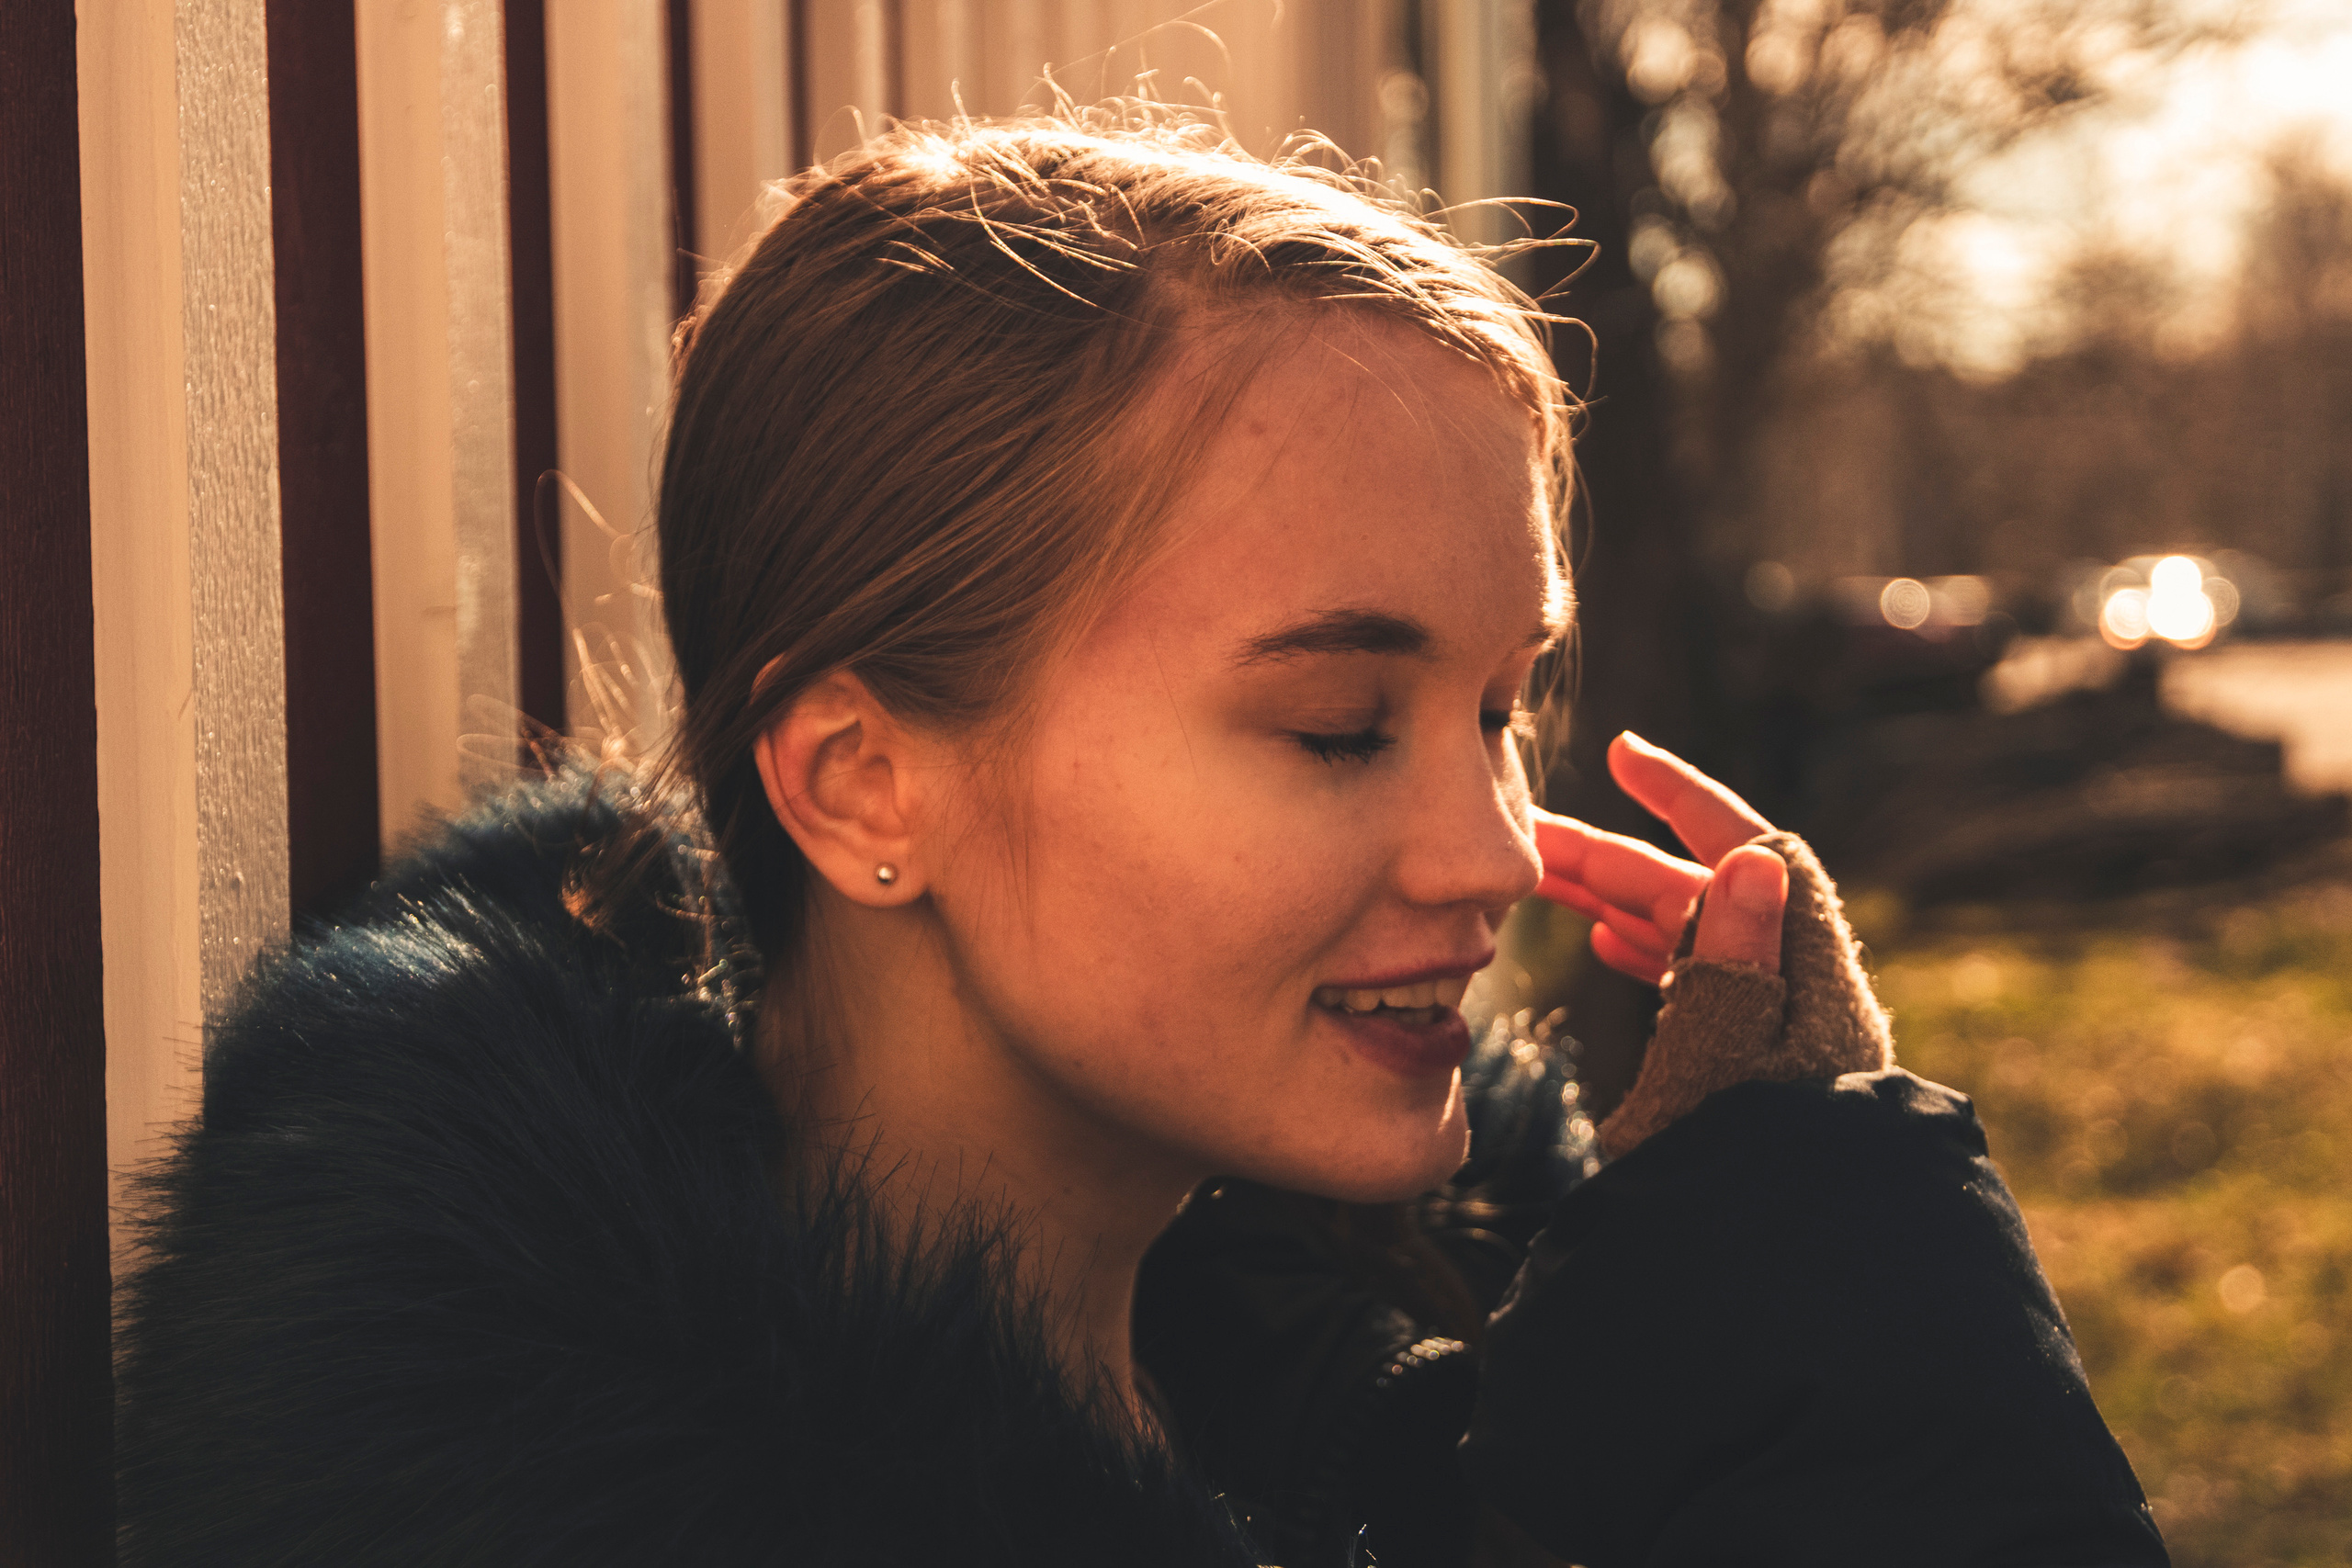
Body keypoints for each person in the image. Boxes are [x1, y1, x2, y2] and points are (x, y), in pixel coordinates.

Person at [113, 110, 2167, 1566]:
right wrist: (1870, 1390)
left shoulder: (1384, 1379)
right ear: (861, 782)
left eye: (1498, 708)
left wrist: (1769, 1299)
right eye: (1337, 724)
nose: (1495, 854)